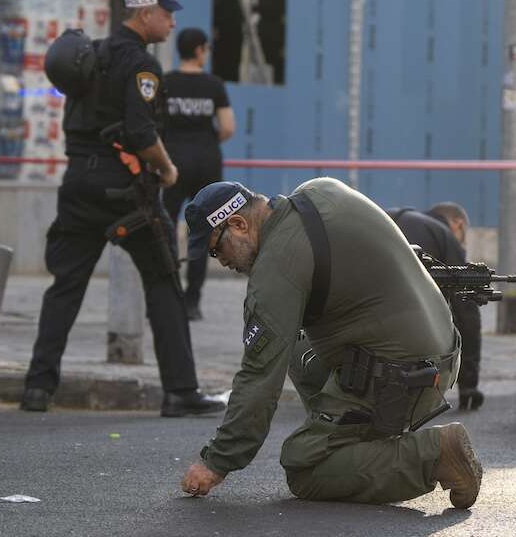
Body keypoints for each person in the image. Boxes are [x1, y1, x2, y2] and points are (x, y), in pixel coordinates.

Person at [177, 178, 483, 509]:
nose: (220, 260)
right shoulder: (319, 190)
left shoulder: (276, 269)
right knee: (294, 348)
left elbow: (258, 376)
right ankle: (352, 435)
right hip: (439, 351)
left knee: (305, 467)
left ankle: (434, 454)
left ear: (238, 224)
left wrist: (217, 462)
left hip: (405, 376)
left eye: (216, 248)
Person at [20, 0, 225, 417]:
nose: (172, 22)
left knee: (66, 286)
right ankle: (181, 391)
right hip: (127, 195)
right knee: (165, 282)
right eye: (167, 14)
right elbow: (140, 132)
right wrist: (168, 170)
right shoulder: (140, 64)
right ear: (146, 14)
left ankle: (37, 387)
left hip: (78, 186)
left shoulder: (89, 57)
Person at [161, 27, 235, 321]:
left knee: (165, 227)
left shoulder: (166, 83)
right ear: (200, 50)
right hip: (206, 162)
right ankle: (193, 302)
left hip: (173, 163)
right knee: (202, 232)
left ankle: (166, 292)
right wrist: (205, 142)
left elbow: (156, 125)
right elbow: (228, 127)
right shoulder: (214, 85)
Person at [387, 202, 484, 411]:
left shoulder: (390, 218)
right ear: (458, 225)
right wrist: (469, 385)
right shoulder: (444, 235)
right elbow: (466, 312)